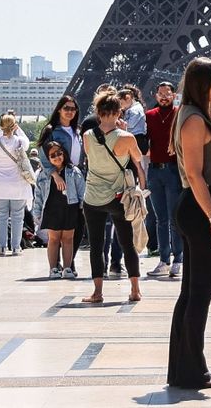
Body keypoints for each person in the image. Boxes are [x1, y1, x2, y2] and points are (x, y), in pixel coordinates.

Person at [167, 58, 211, 389]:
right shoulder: (194, 120)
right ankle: (194, 371)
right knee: (200, 295)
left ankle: (182, 369)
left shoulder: (196, 115)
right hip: (199, 209)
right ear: (201, 83)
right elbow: (193, 174)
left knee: (191, 293)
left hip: (196, 207)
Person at [81, 90, 147, 303]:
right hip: (118, 196)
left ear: (98, 112)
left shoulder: (87, 136)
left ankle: (97, 292)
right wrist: (124, 133)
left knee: (97, 245)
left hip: (92, 196)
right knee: (127, 242)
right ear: (119, 112)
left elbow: (90, 160)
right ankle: (135, 289)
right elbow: (138, 157)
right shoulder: (126, 137)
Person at [144, 82, 184, 277]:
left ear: (174, 95)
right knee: (160, 219)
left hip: (173, 170)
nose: (164, 97)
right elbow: (143, 142)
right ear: (156, 95)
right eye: (160, 94)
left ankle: (178, 259)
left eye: (167, 93)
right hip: (155, 170)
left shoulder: (180, 114)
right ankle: (163, 260)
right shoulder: (149, 115)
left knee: (175, 218)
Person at [0, 114, 35, 257]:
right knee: (17, 217)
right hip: (17, 184)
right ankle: (16, 246)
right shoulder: (19, 142)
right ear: (14, 126)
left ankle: (1, 247)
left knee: (0, 216)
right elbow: (26, 141)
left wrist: (3, 129)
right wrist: (17, 129)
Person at [39, 140, 84, 279]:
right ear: (47, 158)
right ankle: (53, 268)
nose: (57, 157)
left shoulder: (73, 170)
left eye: (59, 153)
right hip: (52, 208)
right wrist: (37, 212)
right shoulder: (44, 174)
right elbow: (39, 194)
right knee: (53, 239)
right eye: (52, 155)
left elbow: (82, 190)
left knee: (68, 238)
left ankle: (67, 268)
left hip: (71, 207)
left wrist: (83, 207)